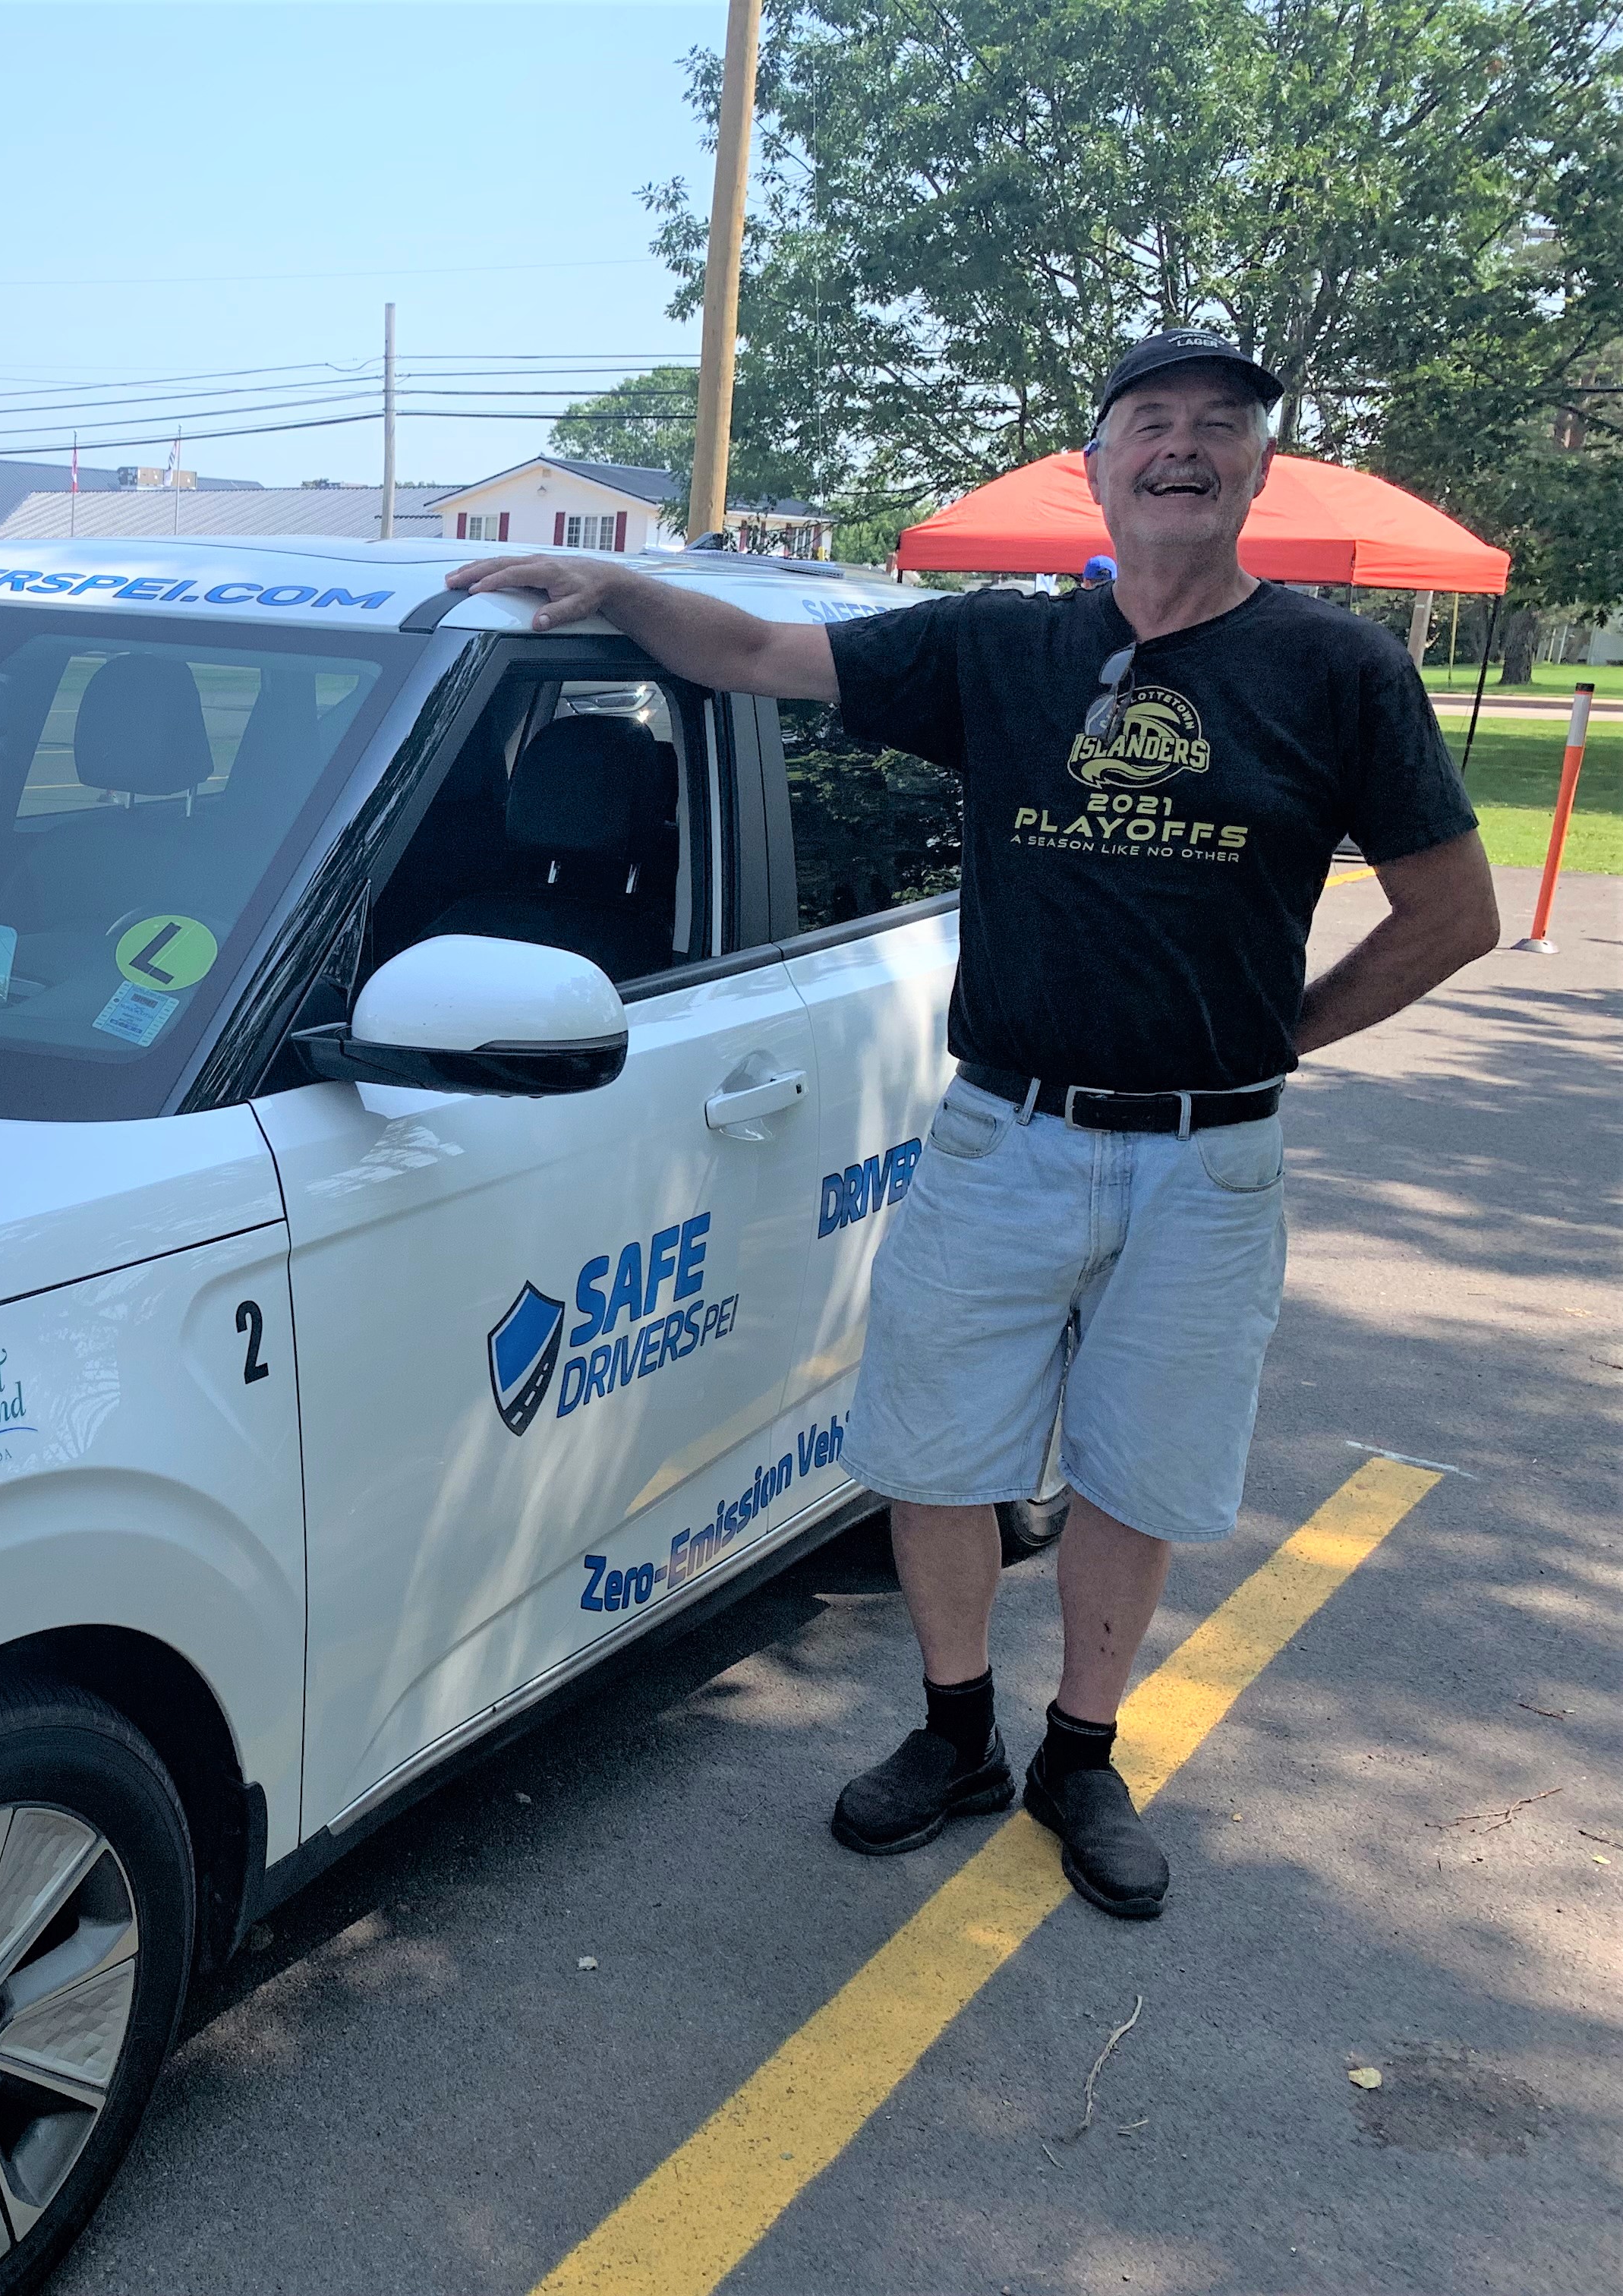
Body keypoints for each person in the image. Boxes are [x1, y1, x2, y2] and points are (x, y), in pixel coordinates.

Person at [448, 326, 1499, 1919]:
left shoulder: (1339, 671)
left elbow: (1453, 913)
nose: (1183, 445)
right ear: (1098, 460)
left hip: (1210, 1164)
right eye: (1150, 420)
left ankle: (1083, 1751)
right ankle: (956, 1735)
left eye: (1220, 426)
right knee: (934, 1456)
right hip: (1002, 1137)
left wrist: (1283, 1038)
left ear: (1256, 472)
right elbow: (754, 660)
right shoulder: (1002, 651)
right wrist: (621, 593)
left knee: (1140, 1475)